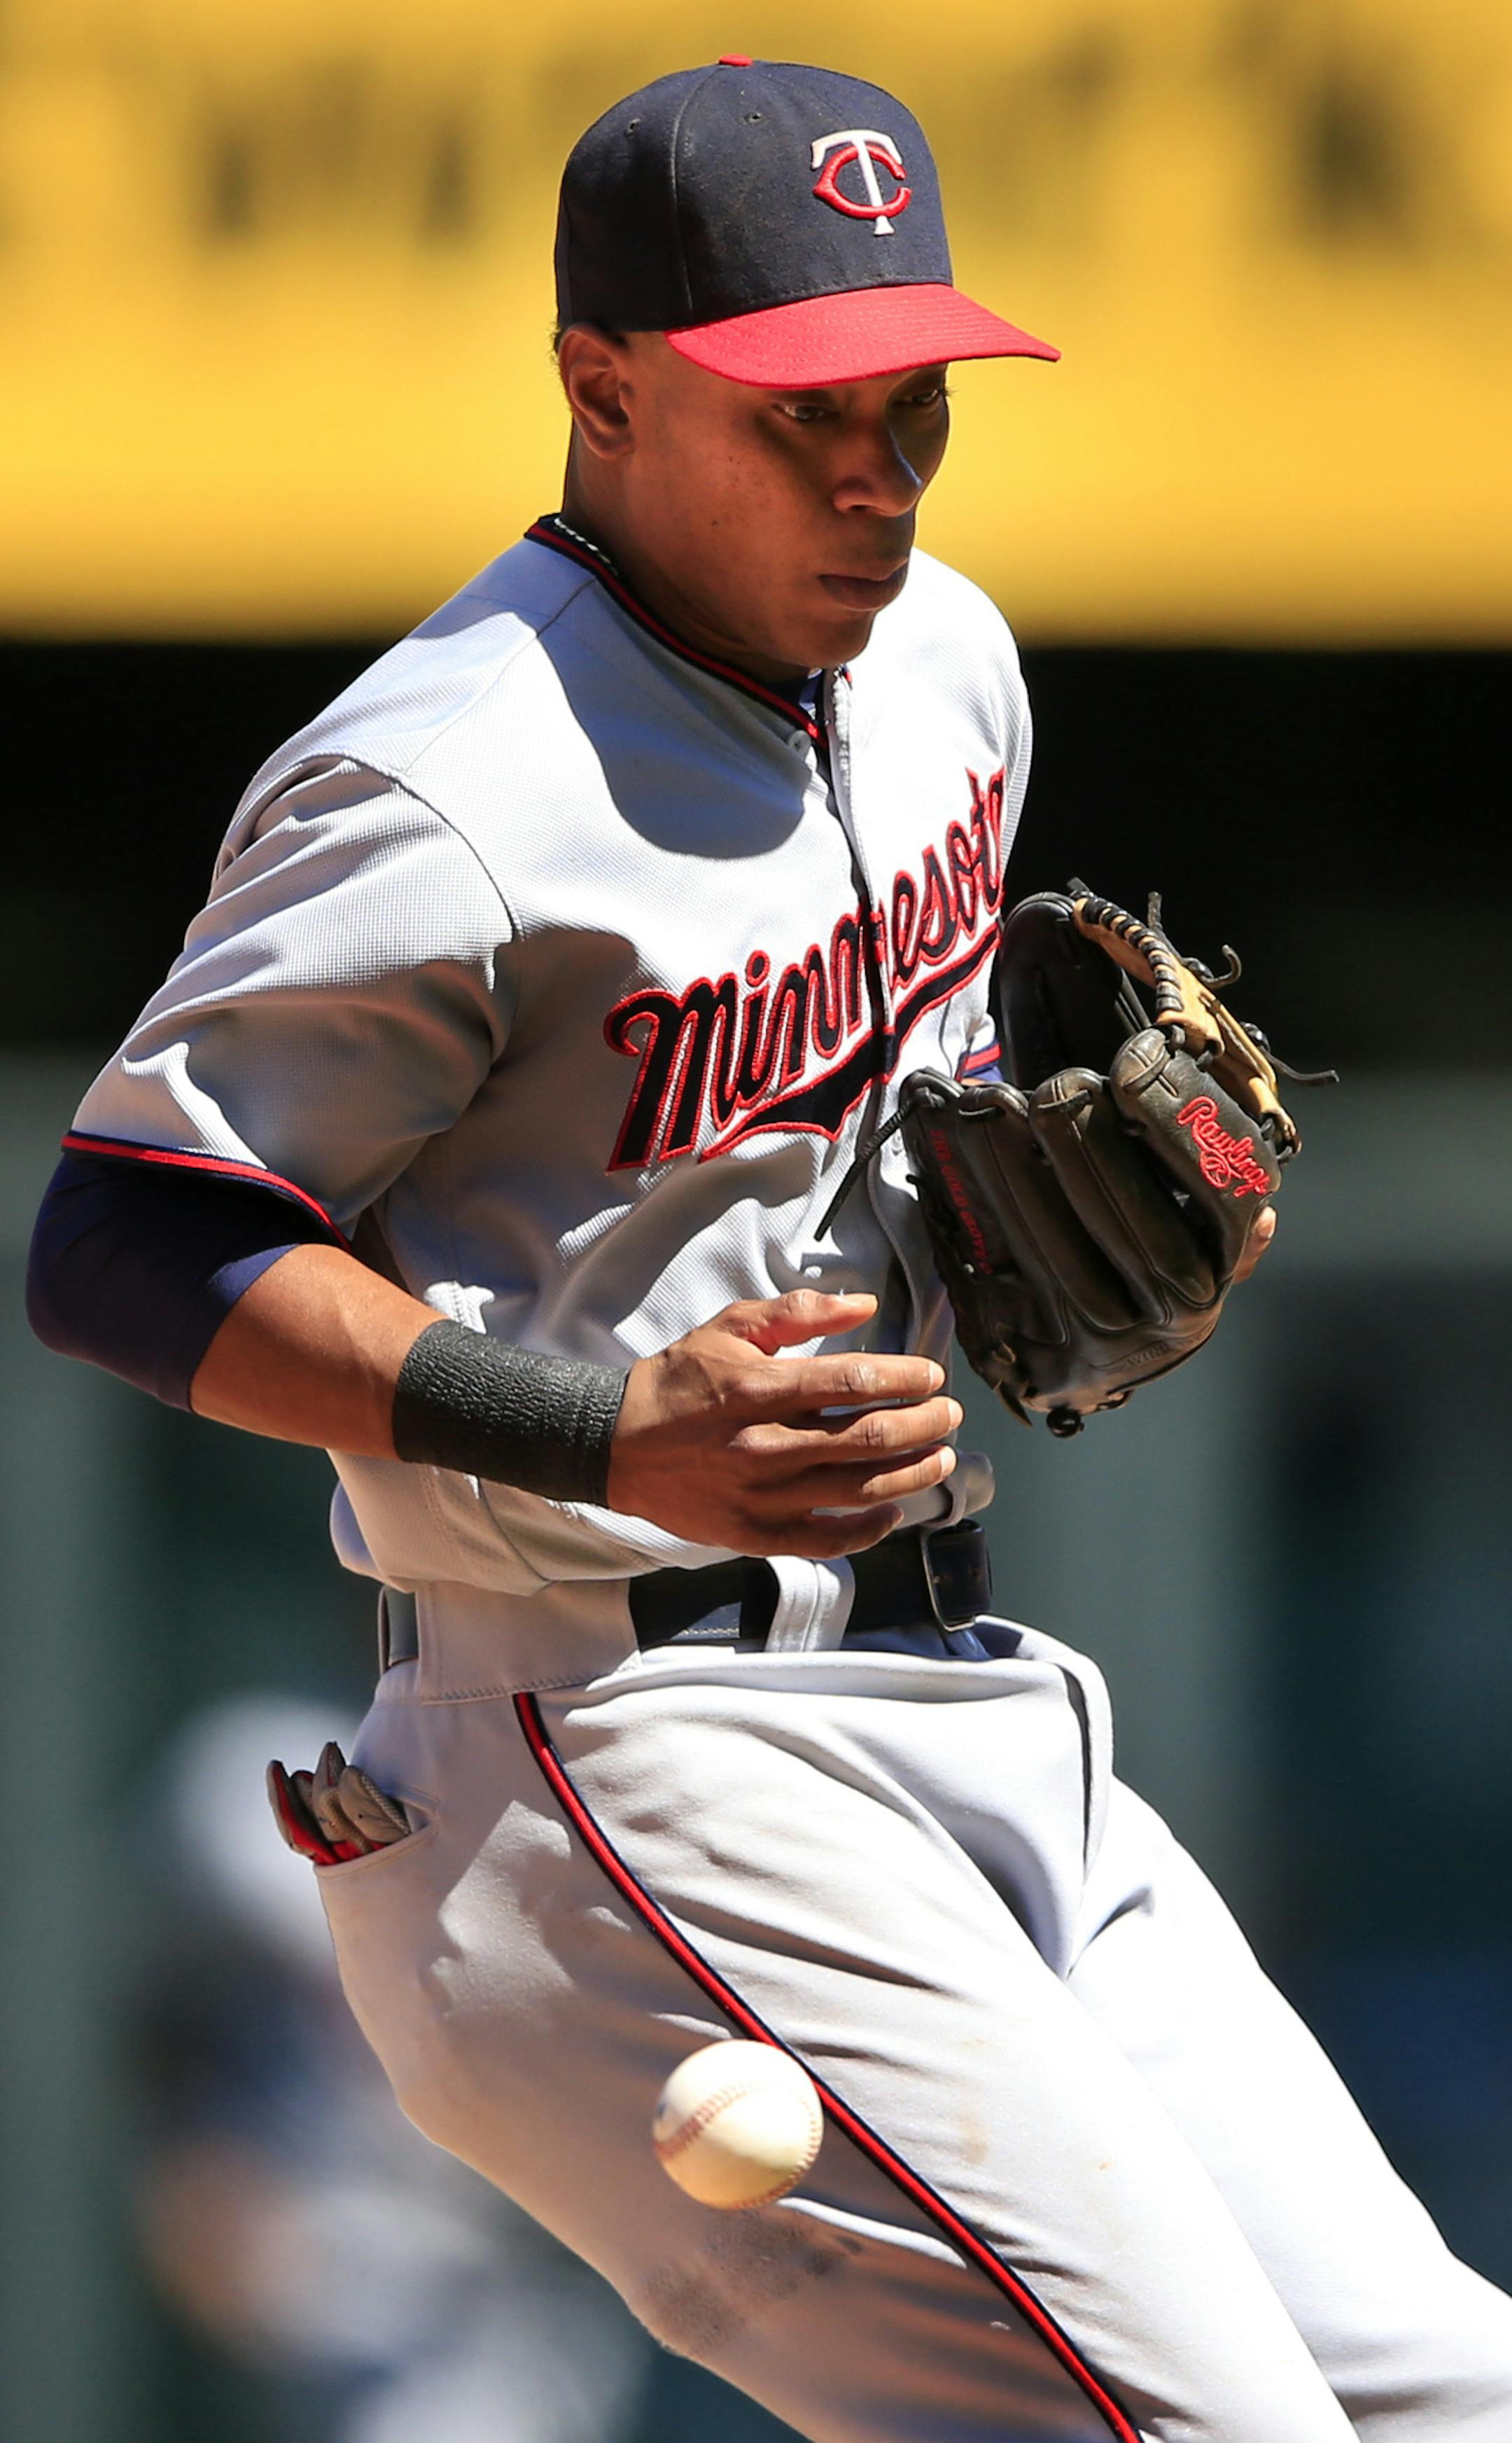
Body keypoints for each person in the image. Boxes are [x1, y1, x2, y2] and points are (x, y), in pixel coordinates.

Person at [28, 56, 1512, 2442]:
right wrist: (603, 1421)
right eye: (798, 409)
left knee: (1454, 2398)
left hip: (968, 1694)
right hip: (607, 1748)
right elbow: (115, 1242)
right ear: (600, 388)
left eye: (914, 402)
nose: (876, 470)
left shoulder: (952, 668)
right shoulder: (439, 779)